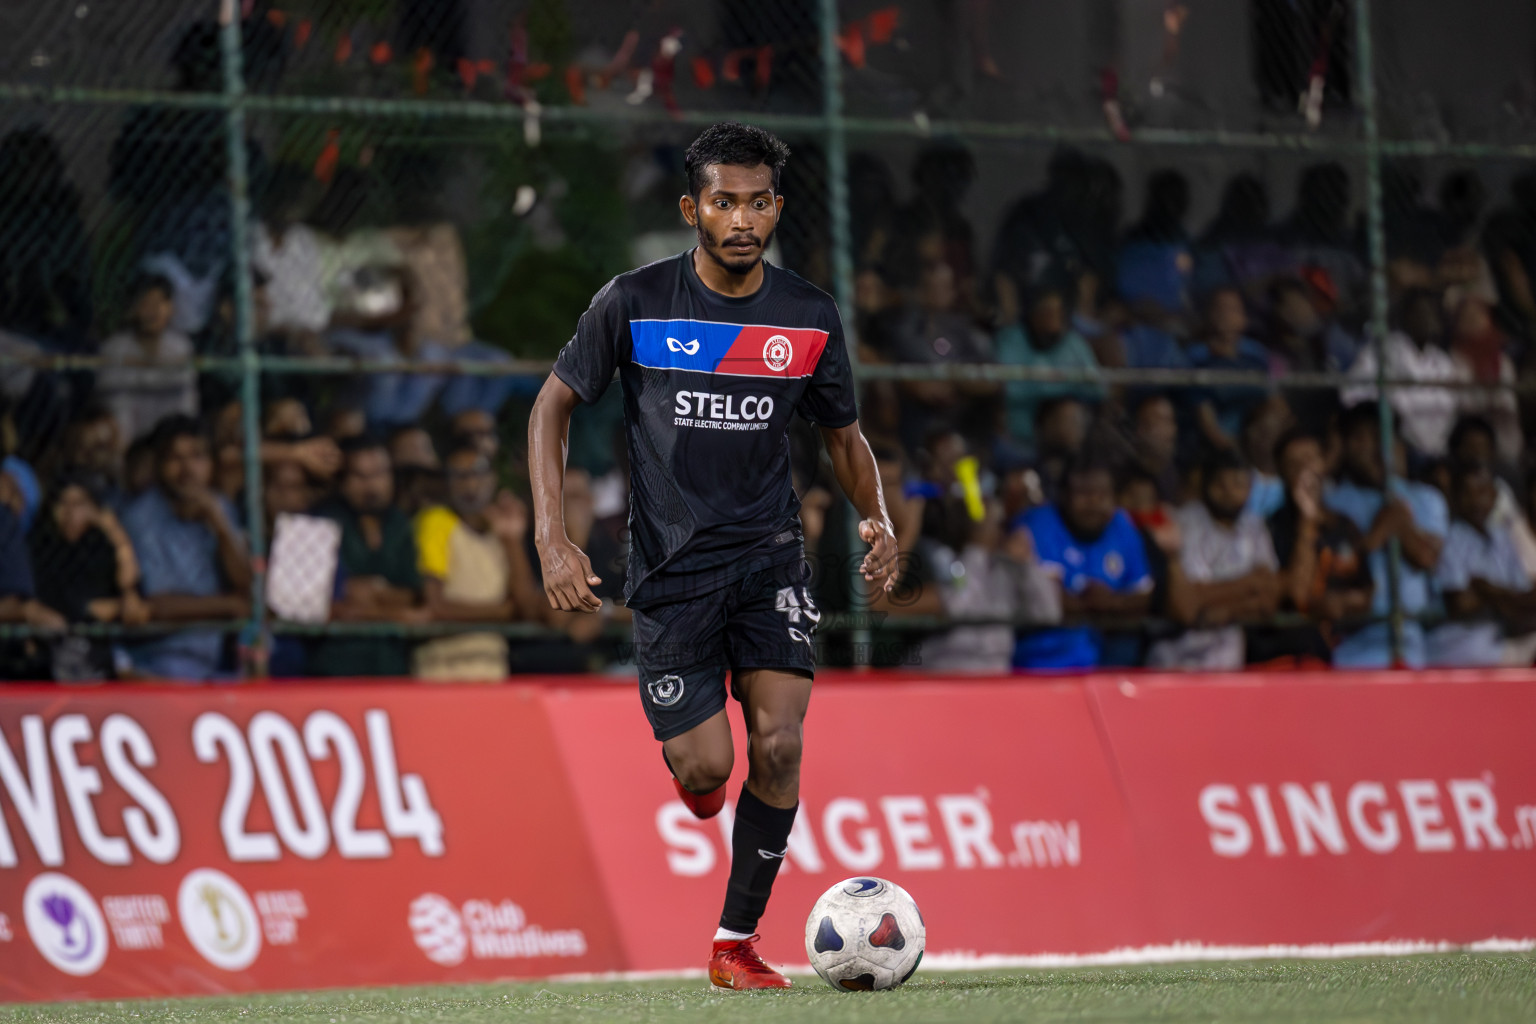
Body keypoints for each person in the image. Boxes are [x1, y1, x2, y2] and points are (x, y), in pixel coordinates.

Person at [527, 123, 897, 991]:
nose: (741, 219)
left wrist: (876, 518)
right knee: (709, 771)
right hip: (668, 574)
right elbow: (551, 408)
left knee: (778, 744)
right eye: (723, 202)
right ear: (692, 208)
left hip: (770, 560)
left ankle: (734, 944)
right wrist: (550, 536)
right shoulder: (634, 301)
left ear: (777, 207)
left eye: (757, 202)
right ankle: (696, 785)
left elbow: (845, 438)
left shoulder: (808, 315)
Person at [121, 416, 252, 680]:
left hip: (213, 659)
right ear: (159, 465)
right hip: (158, 659)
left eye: (197, 457)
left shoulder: (219, 507)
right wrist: (229, 606)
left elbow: (246, 583)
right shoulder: (141, 516)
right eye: (175, 459)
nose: (187, 468)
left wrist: (221, 525)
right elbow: (156, 606)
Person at [1324, 403, 1448, 668]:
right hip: (1351, 650)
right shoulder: (1331, 502)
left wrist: (1399, 524)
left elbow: (1427, 558)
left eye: (1383, 437)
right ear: (1346, 446)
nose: (1375, 449)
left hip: (1412, 647)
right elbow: (1333, 571)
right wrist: (1377, 535)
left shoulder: (1427, 499)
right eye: (1362, 439)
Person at [413, 443, 544, 681]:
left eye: (477, 474)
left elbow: (527, 608)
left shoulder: (500, 530)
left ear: (492, 479)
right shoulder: (436, 522)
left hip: (493, 670)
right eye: (460, 477)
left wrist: (512, 540)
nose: (470, 484)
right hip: (441, 670)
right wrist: (504, 613)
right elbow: (435, 606)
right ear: (447, 483)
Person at [1014, 457, 1154, 669]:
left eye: (1103, 494)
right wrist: (1096, 603)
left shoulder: (1121, 524)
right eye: (1083, 493)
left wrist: (1113, 602)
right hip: (1042, 660)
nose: (1094, 503)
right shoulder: (1038, 524)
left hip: (1104, 656)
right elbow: (1047, 600)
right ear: (1063, 496)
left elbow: (1146, 596)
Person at [1147, 450, 1280, 670]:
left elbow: (1268, 598)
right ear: (1206, 485)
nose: (1229, 492)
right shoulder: (1184, 523)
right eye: (1221, 484)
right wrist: (1248, 584)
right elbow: (1188, 605)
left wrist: (1230, 611)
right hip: (1176, 660)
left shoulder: (1255, 526)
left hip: (1228, 663)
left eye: (1239, 484)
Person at [311, 436, 425, 677]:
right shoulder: (319, 523)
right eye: (361, 477)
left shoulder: (399, 523)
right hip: (335, 668)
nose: (372, 486)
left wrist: (372, 595)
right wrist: (391, 612)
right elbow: (321, 607)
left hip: (391, 666)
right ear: (342, 482)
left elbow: (413, 595)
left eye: (380, 474)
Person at [1262, 429, 1373, 663]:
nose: (1305, 468)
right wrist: (1307, 520)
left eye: (1310, 458)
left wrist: (1343, 603)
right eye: (1294, 463)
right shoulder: (1270, 527)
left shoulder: (1344, 525)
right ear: (1282, 472)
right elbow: (1297, 594)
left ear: (1324, 463)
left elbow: (1367, 592)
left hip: (1342, 653)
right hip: (1287, 656)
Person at [27, 472, 147, 679]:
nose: (70, 513)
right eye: (62, 504)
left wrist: (115, 534)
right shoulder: (39, 546)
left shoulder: (102, 547)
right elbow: (46, 602)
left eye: (80, 504)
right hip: (47, 657)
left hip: (101, 656)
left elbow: (133, 600)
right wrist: (91, 608)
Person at [1428, 461, 1536, 667]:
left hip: (1496, 640)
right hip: (1456, 646)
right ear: (1454, 497)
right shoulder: (1450, 538)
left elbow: (1526, 597)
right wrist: (1508, 600)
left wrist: (1487, 590)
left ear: (1494, 495)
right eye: (1467, 493)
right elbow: (1460, 603)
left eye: (1482, 491)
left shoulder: (1502, 537)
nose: (1476, 501)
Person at [1343, 288, 1464, 460]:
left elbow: (1452, 411)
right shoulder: (1383, 350)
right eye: (1421, 311)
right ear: (1407, 316)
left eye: (1432, 312)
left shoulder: (1443, 362)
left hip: (1436, 453)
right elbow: (1350, 394)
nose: (1428, 318)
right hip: (1393, 449)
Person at [993, 281, 1102, 455]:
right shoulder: (1010, 340)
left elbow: (1098, 389)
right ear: (1033, 312)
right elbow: (1006, 388)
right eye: (1046, 310)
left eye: (1057, 311)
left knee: (1070, 413)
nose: (1052, 317)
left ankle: (1072, 461)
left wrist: (1062, 397)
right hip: (1021, 427)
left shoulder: (1073, 342)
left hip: (1064, 421)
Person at [96, 274, 199, 443]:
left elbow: (186, 404)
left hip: (170, 439)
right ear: (132, 309)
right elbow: (115, 408)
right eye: (146, 302)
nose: (154, 310)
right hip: (126, 440)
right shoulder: (115, 349)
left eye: (161, 302)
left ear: (172, 308)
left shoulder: (181, 347)